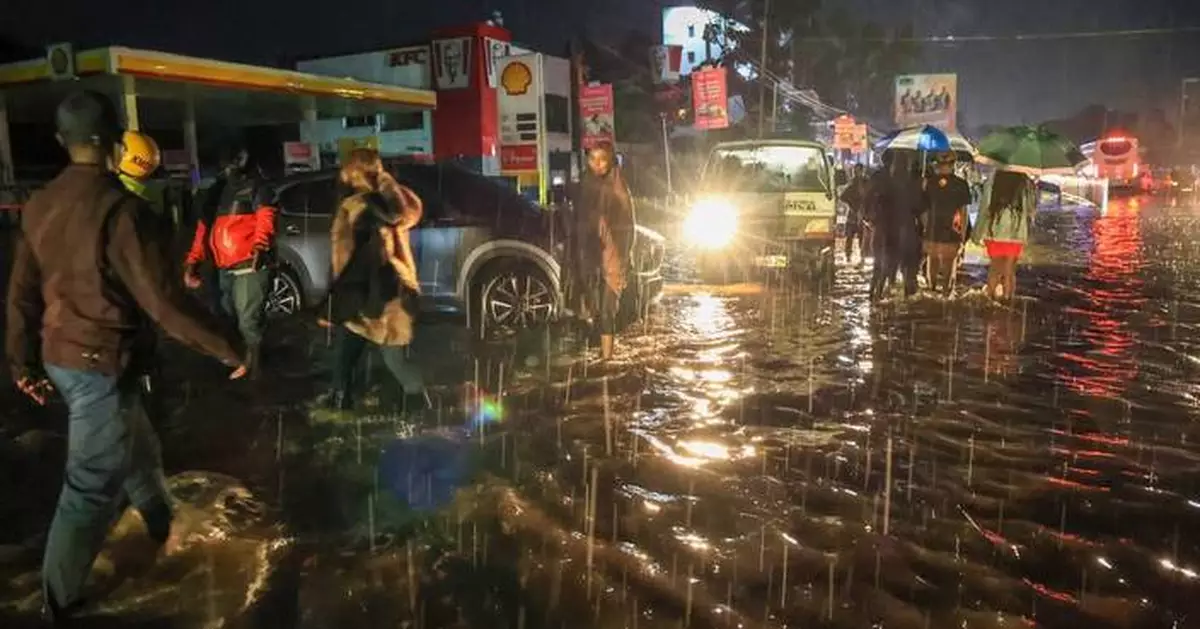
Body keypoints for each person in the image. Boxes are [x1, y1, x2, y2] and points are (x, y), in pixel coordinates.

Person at [5, 90, 246, 624]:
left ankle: (162, 528)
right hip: (100, 360)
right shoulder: (122, 211)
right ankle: (56, 603)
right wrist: (228, 346)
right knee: (90, 485)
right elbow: (163, 303)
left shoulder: (39, 204)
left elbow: (20, 292)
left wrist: (21, 363)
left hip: (61, 357)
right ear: (115, 143)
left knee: (137, 448)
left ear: (61, 142)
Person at [322, 148, 428, 411]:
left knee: (382, 354)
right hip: (392, 288)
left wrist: (335, 302)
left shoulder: (355, 208)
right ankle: (341, 397)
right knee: (354, 349)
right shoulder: (389, 204)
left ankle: (419, 405)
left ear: (353, 173)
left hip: (371, 292)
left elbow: (351, 259)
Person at [182, 145, 276, 377]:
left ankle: (255, 371)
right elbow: (203, 230)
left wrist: (260, 247)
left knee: (248, 321)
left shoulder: (256, 187)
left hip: (249, 264)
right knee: (227, 318)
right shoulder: (215, 193)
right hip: (224, 266)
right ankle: (241, 363)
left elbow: (266, 217)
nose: (230, 167)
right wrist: (193, 261)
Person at [574, 142, 635, 360]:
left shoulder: (618, 186)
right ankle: (600, 353)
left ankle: (607, 359)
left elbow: (628, 224)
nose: (597, 164)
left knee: (608, 308)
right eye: (593, 159)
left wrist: (624, 256)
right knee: (594, 307)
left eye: (602, 160)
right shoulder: (585, 185)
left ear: (610, 161)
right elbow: (578, 220)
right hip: (590, 256)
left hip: (612, 255)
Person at [868, 151, 924, 301]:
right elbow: (920, 208)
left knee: (880, 266)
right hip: (905, 231)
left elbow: (870, 203)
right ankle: (907, 299)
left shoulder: (880, 180)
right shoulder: (913, 184)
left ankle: (875, 295)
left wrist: (871, 220)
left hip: (884, 229)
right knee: (908, 270)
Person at [974, 169, 1037, 299]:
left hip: (994, 230)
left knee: (994, 268)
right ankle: (1008, 300)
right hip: (1016, 232)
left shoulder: (993, 179)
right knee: (1009, 271)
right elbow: (1031, 210)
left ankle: (990, 299)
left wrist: (977, 233)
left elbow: (984, 207)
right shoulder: (1025, 182)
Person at [920, 152, 972, 296]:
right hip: (952, 231)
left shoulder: (928, 183)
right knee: (949, 264)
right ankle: (946, 294)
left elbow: (924, 211)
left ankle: (931, 291)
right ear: (954, 164)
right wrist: (963, 237)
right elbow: (963, 213)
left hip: (933, 229)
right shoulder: (961, 184)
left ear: (937, 164)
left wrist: (925, 229)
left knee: (933, 261)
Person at [841, 163, 871, 264]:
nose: (856, 173)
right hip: (853, 214)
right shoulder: (853, 184)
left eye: (858, 171)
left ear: (862, 171)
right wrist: (852, 205)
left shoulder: (867, 183)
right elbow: (843, 196)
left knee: (862, 237)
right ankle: (848, 255)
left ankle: (862, 257)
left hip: (863, 215)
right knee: (850, 236)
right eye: (855, 171)